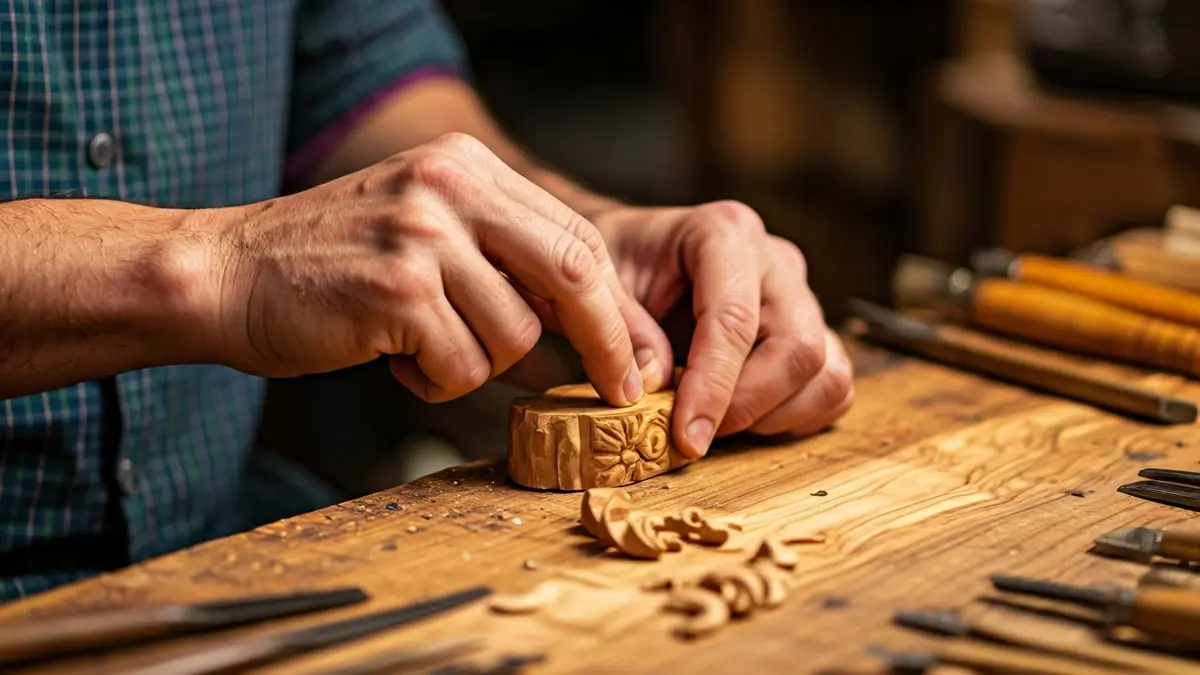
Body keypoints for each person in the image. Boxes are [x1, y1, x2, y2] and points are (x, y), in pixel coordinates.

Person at [0, 0, 854, 602]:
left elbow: (367, 73)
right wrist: (215, 268)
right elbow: (232, 260)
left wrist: (575, 236)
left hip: (229, 545)